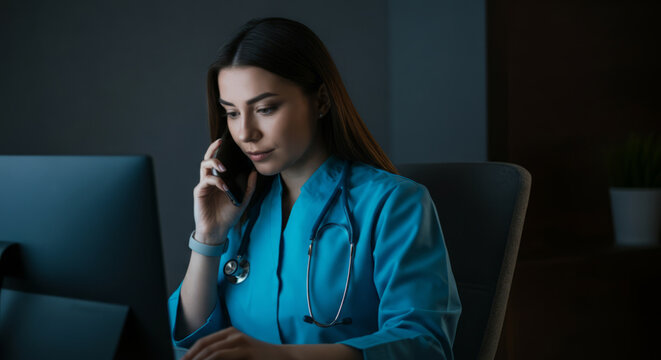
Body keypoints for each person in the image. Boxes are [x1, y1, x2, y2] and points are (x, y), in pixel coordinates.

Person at [168, 17, 461, 360]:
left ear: (321, 100)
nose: (245, 132)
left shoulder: (394, 204)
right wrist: (209, 237)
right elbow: (188, 339)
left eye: (265, 108)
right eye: (232, 113)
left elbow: (424, 345)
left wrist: (283, 358)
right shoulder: (242, 209)